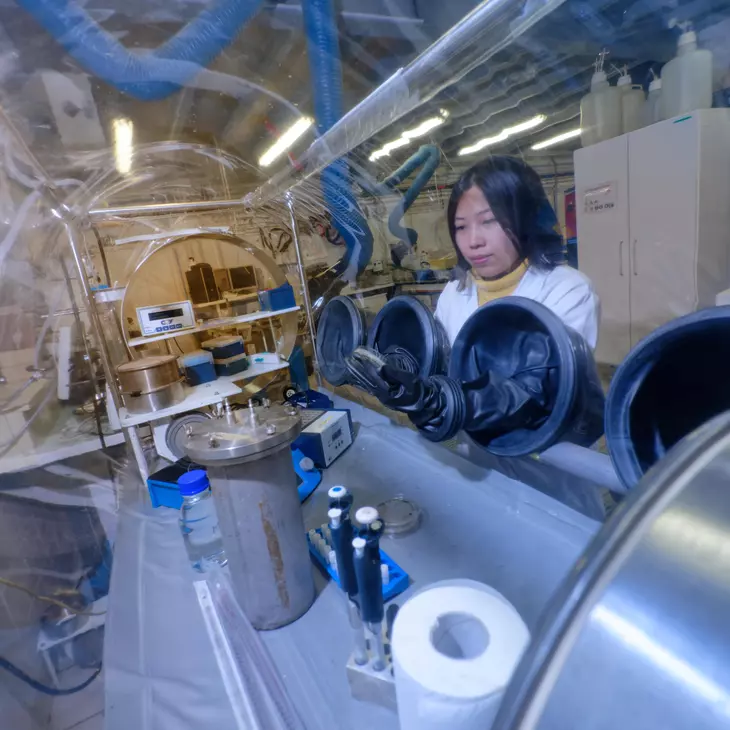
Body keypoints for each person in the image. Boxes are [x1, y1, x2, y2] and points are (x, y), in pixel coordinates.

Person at [435, 155, 599, 348]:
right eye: (461, 227)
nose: (473, 242)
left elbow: (551, 374)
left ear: (524, 220)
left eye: (489, 221)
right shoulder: (453, 293)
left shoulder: (567, 291)